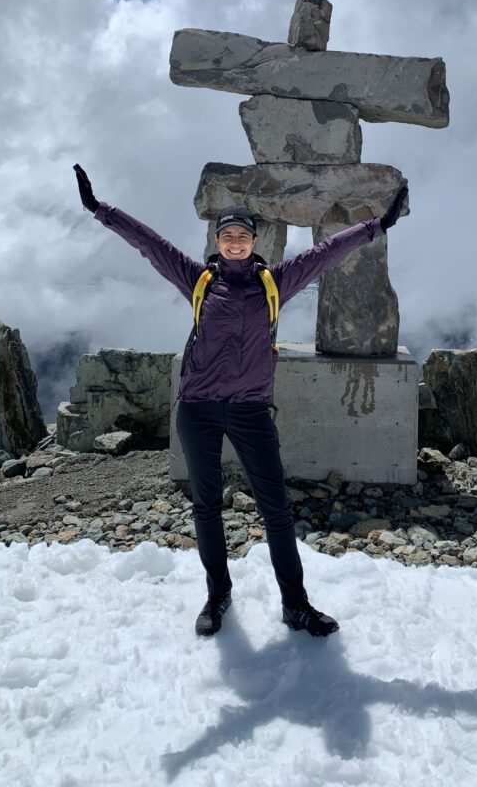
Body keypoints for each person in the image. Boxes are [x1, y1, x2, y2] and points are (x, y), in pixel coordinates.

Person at [73, 163, 409, 638]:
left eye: (242, 235)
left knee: (276, 509)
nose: (234, 241)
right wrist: (99, 209)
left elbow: (326, 252)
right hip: (198, 408)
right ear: (216, 241)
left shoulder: (275, 281)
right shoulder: (199, 281)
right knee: (206, 507)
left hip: (252, 409)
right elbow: (150, 243)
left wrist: (377, 226)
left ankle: (296, 605)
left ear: (255, 241)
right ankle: (217, 595)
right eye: (226, 234)